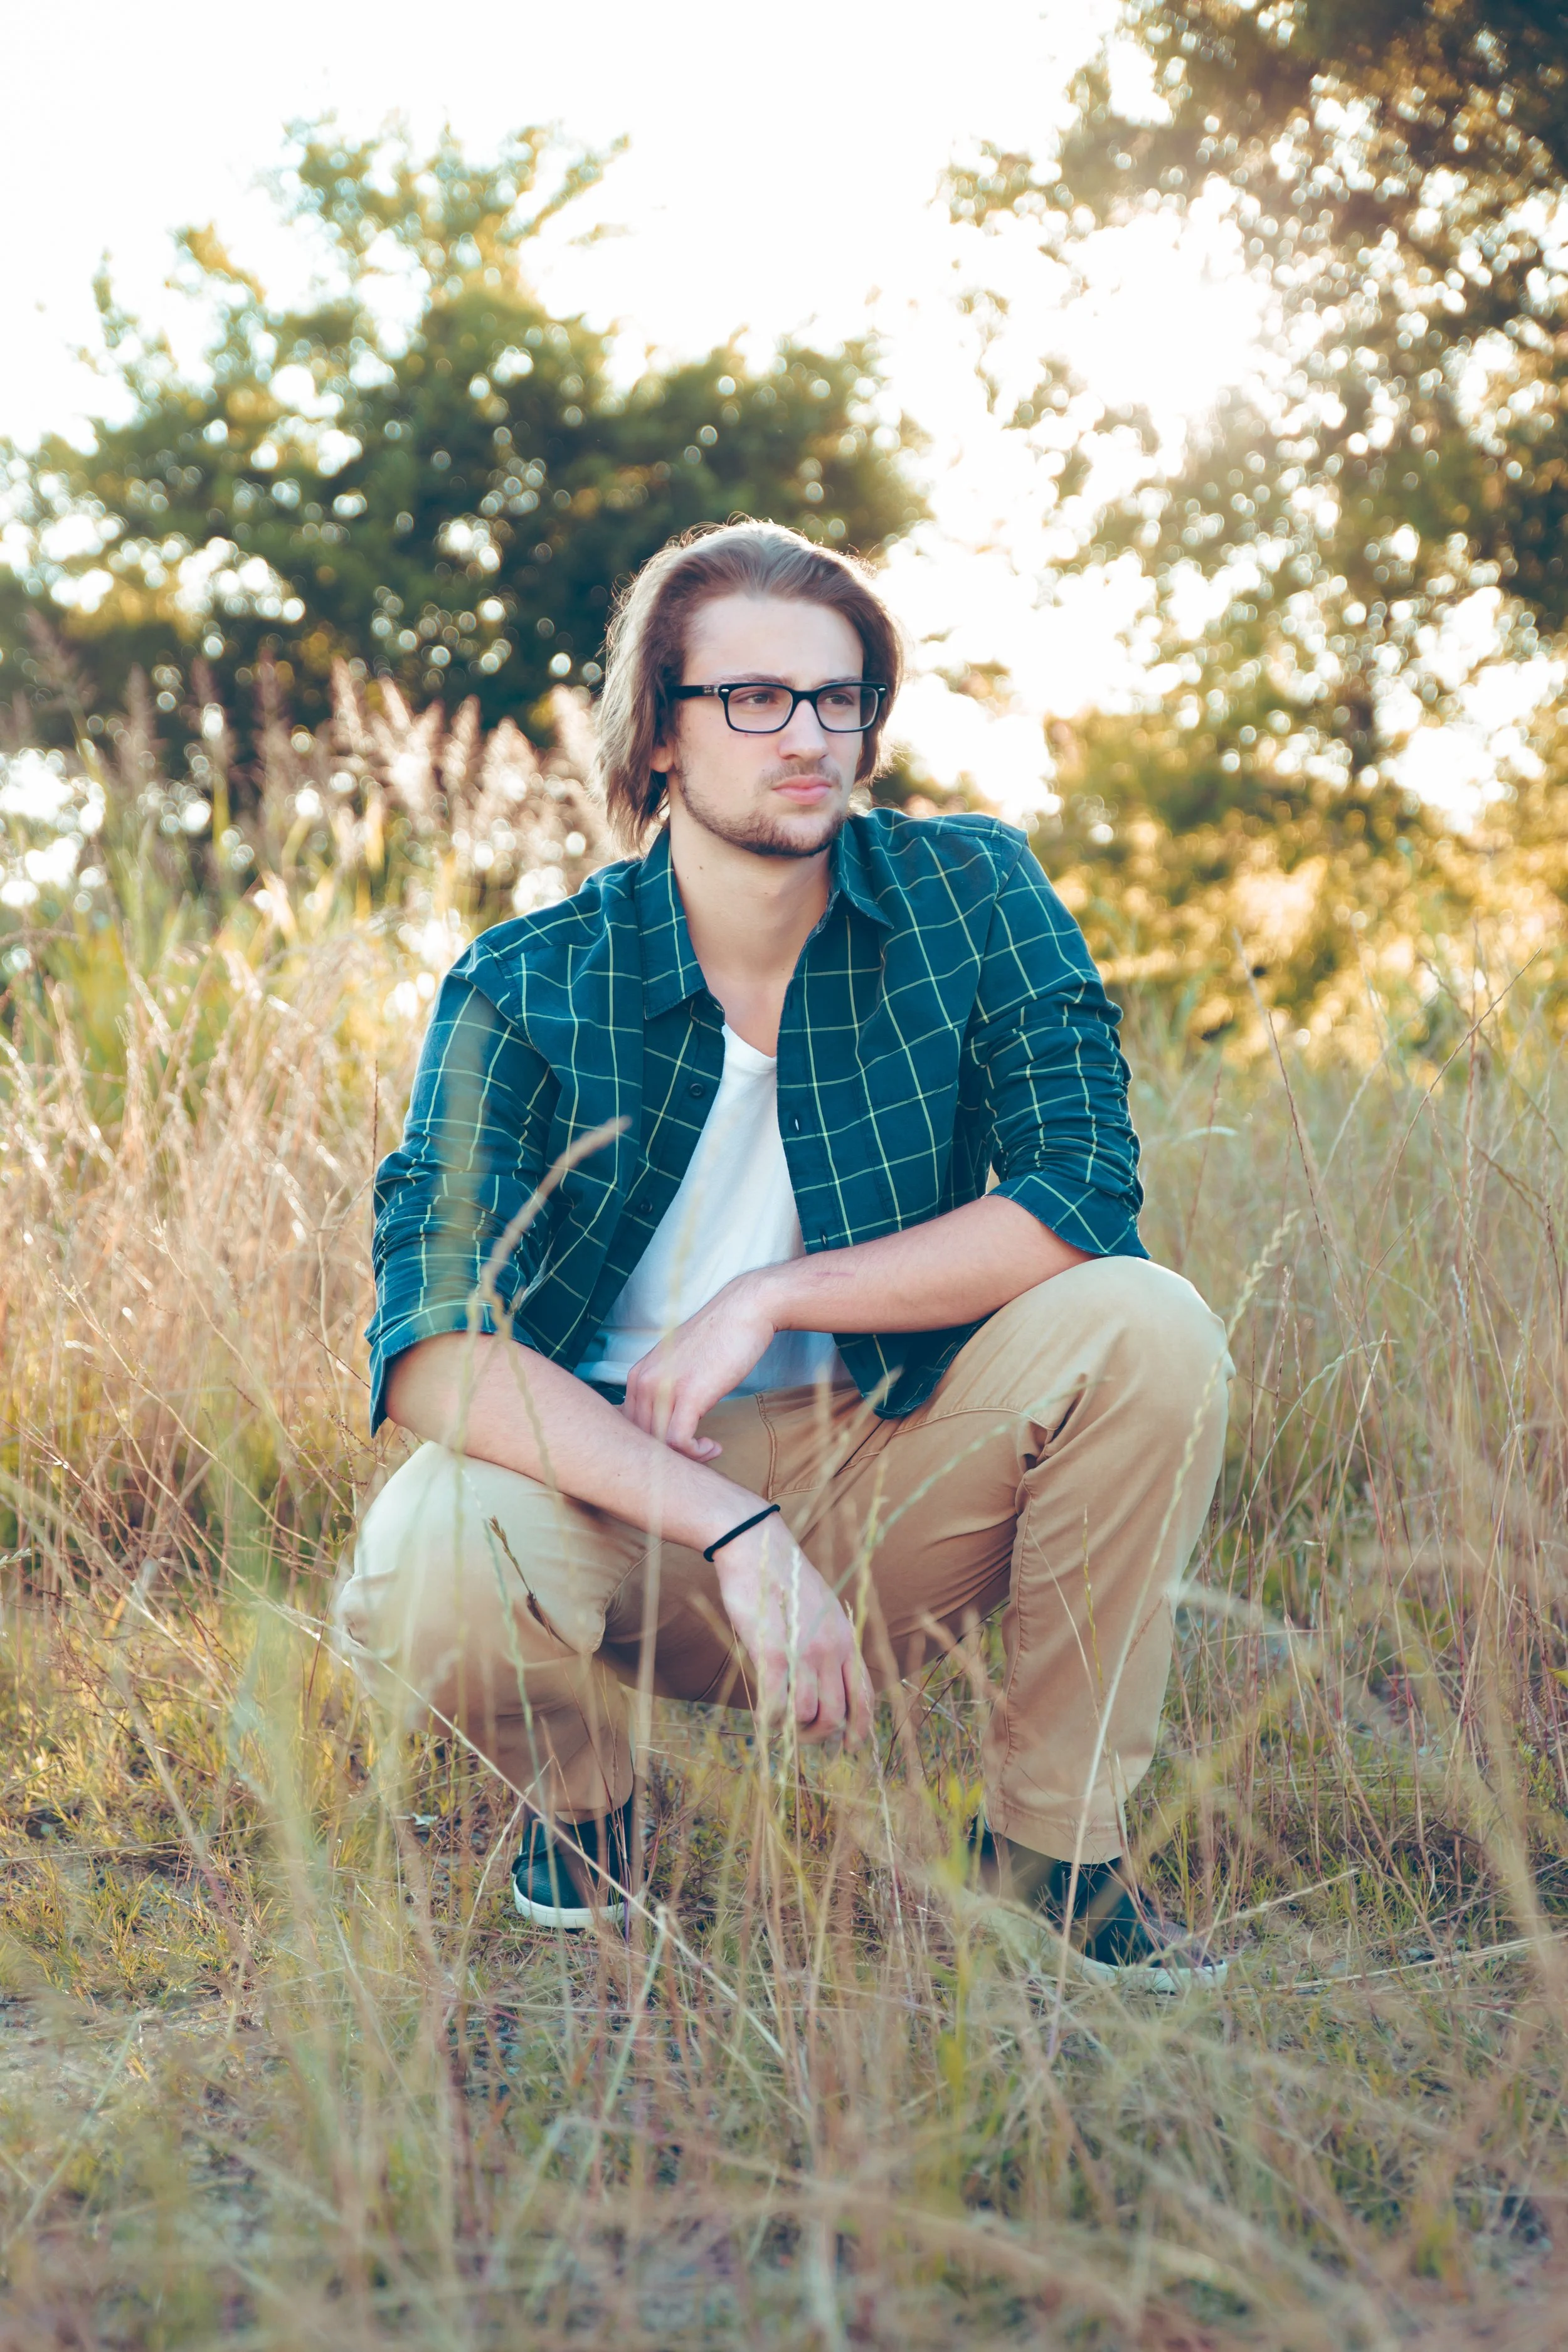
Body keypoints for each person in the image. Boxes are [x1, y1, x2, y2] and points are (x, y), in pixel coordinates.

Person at [334, 519, 1232, 1990]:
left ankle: (1050, 1861)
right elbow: (432, 1342)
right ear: (659, 741)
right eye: (751, 699)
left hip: (892, 1458)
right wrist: (726, 1526)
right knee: (433, 1553)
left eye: (837, 696)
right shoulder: (526, 980)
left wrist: (775, 1294)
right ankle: (588, 1816)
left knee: (1148, 1323)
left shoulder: (966, 897)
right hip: (622, 1489)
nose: (806, 735)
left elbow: (1082, 1190)